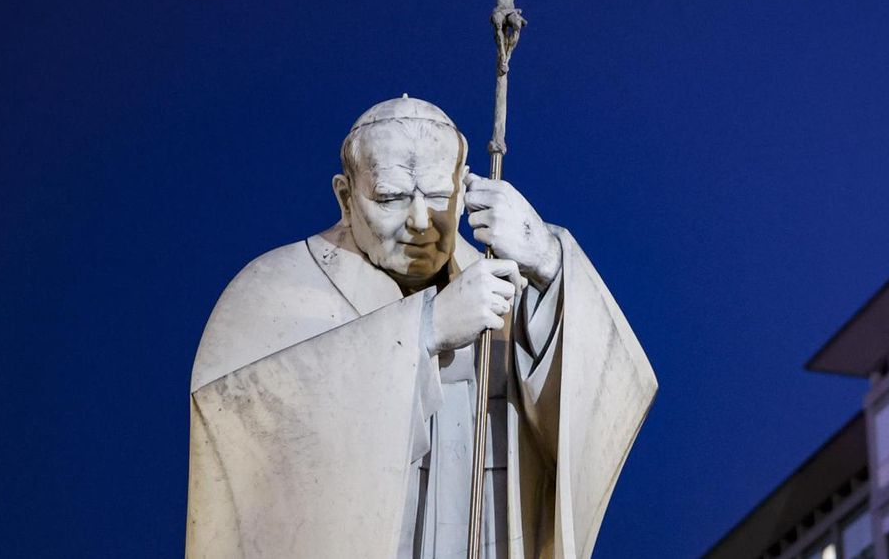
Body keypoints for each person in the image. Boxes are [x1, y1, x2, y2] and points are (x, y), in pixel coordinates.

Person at [186, 95, 655, 558]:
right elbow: (241, 437)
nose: (419, 221)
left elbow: (609, 403)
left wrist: (549, 262)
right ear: (346, 197)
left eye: (437, 195)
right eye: (390, 197)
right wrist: (425, 331)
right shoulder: (275, 289)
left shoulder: (507, 285)